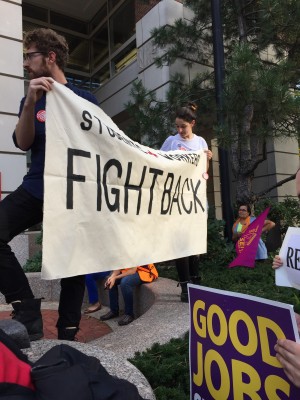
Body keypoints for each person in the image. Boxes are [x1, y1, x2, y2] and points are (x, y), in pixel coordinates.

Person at [0, 28, 99, 341]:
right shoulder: (31, 99)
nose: (27, 63)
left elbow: (105, 148)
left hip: (73, 194)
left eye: (30, 56)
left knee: (74, 266)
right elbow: (23, 142)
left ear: (50, 57)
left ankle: (68, 335)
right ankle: (26, 308)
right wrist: (30, 102)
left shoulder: (85, 100)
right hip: (37, 188)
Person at [160, 103, 213, 302]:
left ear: (193, 123)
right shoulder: (171, 141)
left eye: (184, 126)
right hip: (177, 199)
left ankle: (196, 283)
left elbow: (204, 172)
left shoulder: (201, 142)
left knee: (195, 244)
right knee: (180, 245)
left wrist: (207, 158)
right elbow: (160, 161)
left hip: (196, 199)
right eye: (177, 126)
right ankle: (185, 287)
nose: (180, 131)